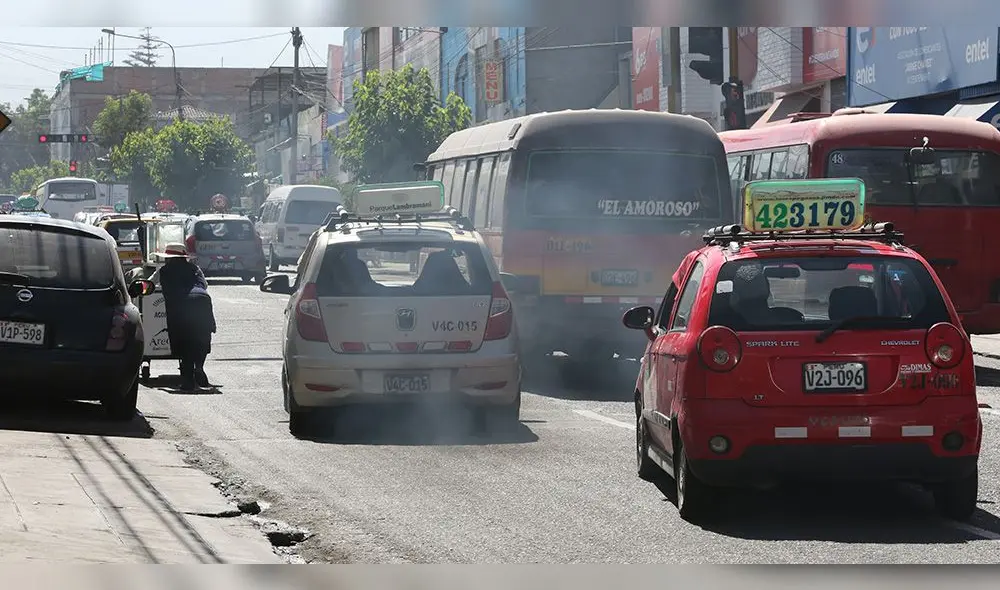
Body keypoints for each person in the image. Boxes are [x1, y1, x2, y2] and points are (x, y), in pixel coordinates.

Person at [155, 243, 217, 390]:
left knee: (183, 340)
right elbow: (205, 285)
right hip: (202, 301)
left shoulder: (163, 270)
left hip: (181, 304)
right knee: (201, 337)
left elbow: (149, 284)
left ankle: (188, 378)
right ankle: (199, 367)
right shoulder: (194, 268)